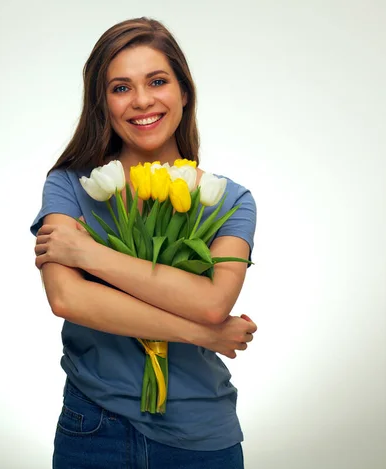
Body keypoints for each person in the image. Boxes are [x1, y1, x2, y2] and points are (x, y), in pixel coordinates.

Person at [30, 17, 257, 469]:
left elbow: (213, 303)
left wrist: (90, 252)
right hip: (92, 426)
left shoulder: (230, 201)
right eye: (120, 88)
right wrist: (203, 334)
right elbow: (66, 297)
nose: (142, 101)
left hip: (201, 432)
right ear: (103, 102)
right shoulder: (69, 185)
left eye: (157, 81)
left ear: (183, 91)